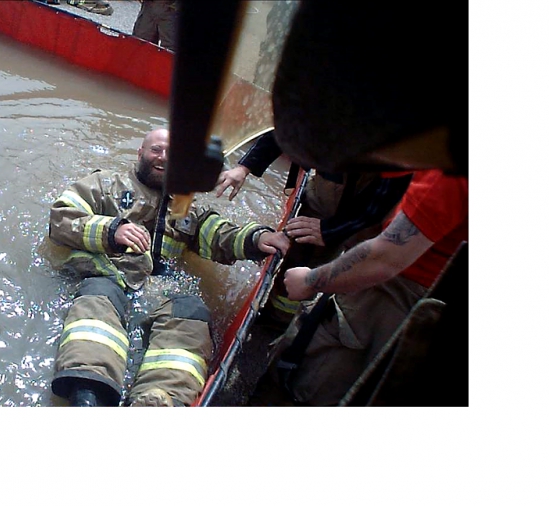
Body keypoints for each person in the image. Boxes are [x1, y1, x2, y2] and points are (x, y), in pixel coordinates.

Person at [47, 128, 290, 407]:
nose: (162, 158)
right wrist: (111, 230)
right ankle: (89, 393)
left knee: (192, 310)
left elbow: (220, 234)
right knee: (97, 298)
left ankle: (159, 399)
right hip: (108, 276)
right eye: (156, 150)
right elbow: (61, 219)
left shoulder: (186, 206)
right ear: (140, 153)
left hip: (160, 287)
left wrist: (258, 238)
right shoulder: (103, 185)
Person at [249, 167, 467, 406]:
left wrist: (311, 280)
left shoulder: (454, 169)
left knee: (304, 380)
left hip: (389, 293)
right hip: (432, 296)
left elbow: (387, 256)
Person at [215, 131, 413, 326]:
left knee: (357, 272)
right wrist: (243, 168)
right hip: (328, 192)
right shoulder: (324, 109)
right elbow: (283, 132)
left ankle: (288, 324)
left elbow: (381, 201)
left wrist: (330, 231)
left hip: (368, 214)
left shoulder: (399, 138)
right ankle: (276, 316)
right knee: (299, 254)